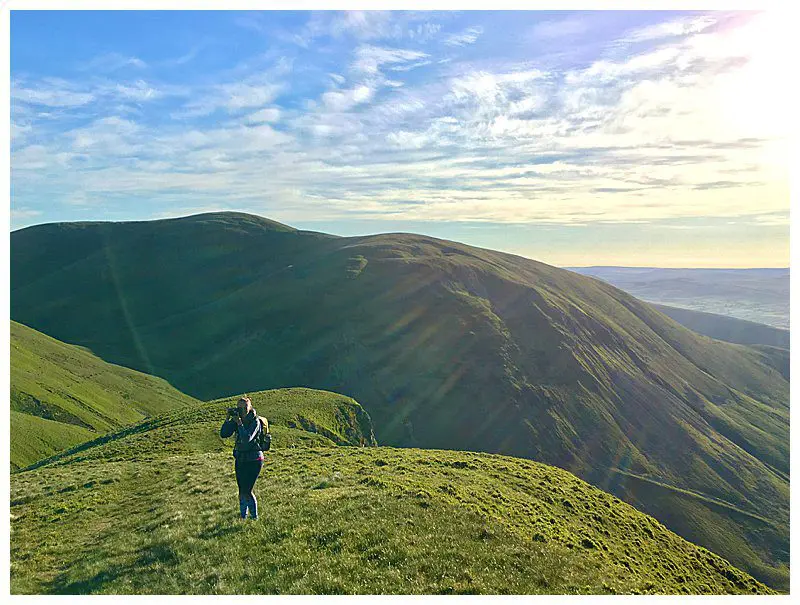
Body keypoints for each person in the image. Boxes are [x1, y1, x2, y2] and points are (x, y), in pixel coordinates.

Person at [220, 395, 264, 520]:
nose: (242, 411)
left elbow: (246, 439)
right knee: (241, 491)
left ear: (249, 408)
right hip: (240, 459)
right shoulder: (236, 420)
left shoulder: (255, 421)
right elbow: (223, 434)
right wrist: (228, 419)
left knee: (247, 490)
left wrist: (239, 424)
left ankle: (254, 517)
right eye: (239, 408)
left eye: (244, 408)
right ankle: (243, 517)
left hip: (254, 460)